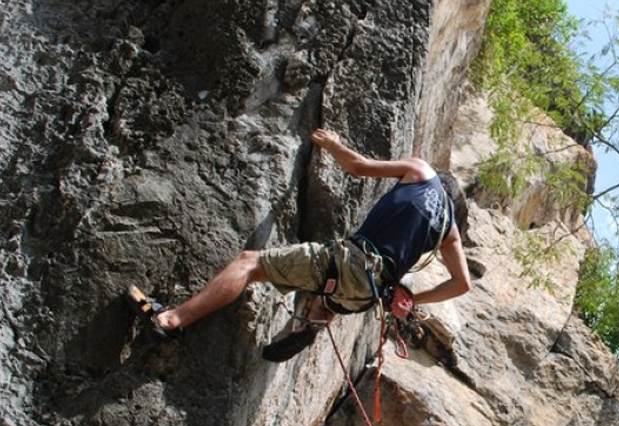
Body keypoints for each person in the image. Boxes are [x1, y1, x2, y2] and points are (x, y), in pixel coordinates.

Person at [127, 128, 471, 358]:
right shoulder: (448, 230)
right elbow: (462, 284)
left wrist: (334, 144)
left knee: (248, 263)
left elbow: (357, 166)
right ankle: (315, 321)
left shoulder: (422, 172)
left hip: (349, 263)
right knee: (331, 288)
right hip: (367, 296)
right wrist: (413, 299)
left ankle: (171, 321)